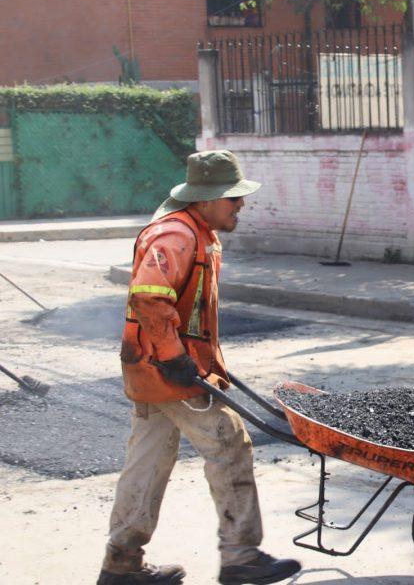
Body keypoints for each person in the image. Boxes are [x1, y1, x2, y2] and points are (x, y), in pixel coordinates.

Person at [98, 150, 301, 585]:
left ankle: (121, 564)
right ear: (206, 199)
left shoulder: (199, 232)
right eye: (233, 198)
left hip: (153, 368)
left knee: (148, 461)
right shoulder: (176, 236)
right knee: (229, 444)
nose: (240, 205)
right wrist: (173, 358)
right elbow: (149, 298)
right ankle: (241, 557)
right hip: (165, 369)